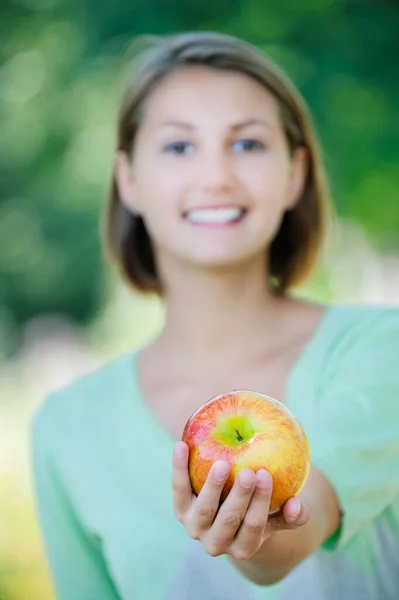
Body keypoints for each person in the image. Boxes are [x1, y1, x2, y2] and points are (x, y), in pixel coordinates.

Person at [30, 31, 399, 600]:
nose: (217, 177)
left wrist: (252, 540)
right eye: (179, 148)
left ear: (295, 174)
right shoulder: (66, 429)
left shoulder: (381, 349)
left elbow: (302, 529)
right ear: (128, 178)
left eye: (248, 144)